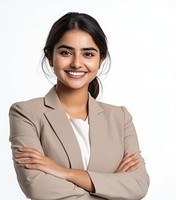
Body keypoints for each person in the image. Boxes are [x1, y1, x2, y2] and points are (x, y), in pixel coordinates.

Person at [9, 12, 150, 200]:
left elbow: (138, 185)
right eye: (65, 52)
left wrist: (63, 172)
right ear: (50, 56)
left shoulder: (120, 117)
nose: (76, 63)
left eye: (88, 54)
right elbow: (37, 188)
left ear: (101, 59)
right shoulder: (26, 113)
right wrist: (112, 185)